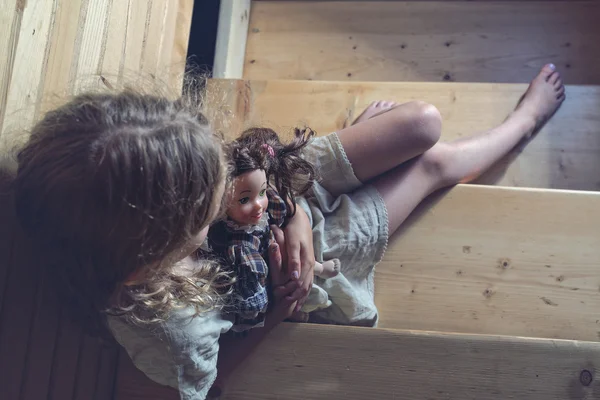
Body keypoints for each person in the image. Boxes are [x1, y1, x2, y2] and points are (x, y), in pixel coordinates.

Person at [13, 64, 564, 399]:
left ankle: (338, 153)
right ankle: (522, 124)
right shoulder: (170, 332)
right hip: (298, 263)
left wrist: (287, 205)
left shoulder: (153, 180)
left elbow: (250, 185)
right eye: (210, 208)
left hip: (279, 191)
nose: (218, 198)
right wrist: (284, 302)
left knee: (422, 122)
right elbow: (208, 381)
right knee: (430, 165)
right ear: (153, 254)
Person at [207, 127, 340, 331]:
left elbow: (286, 208)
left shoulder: (264, 202)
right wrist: (276, 310)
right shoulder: (241, 250)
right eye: (244, 200)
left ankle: (320, 267)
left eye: (262, 192)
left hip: (281, 240)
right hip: (270, 275)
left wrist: (296, 217)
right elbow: (254, 297)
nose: (259, 204)